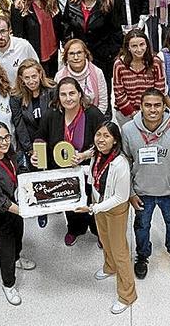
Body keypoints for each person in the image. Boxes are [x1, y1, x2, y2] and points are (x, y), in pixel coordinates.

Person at [121, 88, 170, 277]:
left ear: (164, 107)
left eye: (157, 105)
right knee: (142, 226)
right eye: (148, 105)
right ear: (141, 107)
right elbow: (124, 164)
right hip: (142, 192)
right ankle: (142, 255)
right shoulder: (128, 130)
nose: (153, 110)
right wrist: (130, 193)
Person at [76, 121, 137, 313]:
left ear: (115, 140)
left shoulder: (120, 164)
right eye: (98, 134)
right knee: (104, 239)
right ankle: (109, 267)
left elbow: (121, 196)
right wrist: (78, 170)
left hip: (114, 209)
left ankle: (127, 295)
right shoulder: (97, 154)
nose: (101, 139)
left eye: (106, 136)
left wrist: (94, 208)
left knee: (120, 251)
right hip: (98, 206)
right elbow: (94, 174)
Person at [33, 77, 104, 241]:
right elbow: (40, 137)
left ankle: (97, 231)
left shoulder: (92, 113)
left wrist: (85, 155)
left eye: (72, 93)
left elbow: (106, 140)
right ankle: (74, 229)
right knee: (70, 204)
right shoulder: (52, 114)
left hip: (88, 169)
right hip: (63, 171)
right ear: (58, 97)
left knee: (92, 202)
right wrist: (37, 154)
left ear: (80, 94)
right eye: (63, 94)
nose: (68, 98)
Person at [0, 122, 36, 306]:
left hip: (16, 207)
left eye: (6, 137)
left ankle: (18, 259)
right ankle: (8, 284)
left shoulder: (9, 152)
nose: (4, 142)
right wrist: (26, 211)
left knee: (18, 238)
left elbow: (18, 172)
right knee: (6, 251)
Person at [62, 0, 123, 94]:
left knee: (102, 89)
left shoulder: (107, 4)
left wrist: (111, 52)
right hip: (78, 54)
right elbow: (65, 26)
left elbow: (116, 30)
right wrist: (68, 46)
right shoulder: (72, 2)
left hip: (102, 55)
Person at [11, 0, 63, 77]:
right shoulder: (18, 6)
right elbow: (18, 36)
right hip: (33, 55)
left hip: (52, 52)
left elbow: (58, 25)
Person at [112, 29, 166, 124]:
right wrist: (132, 113)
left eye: (142, 44)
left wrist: (147, 111)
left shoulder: (156, 62)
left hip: (151, 111)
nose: (139, 49)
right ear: (128, 47)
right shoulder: (119, 64)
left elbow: (159, 90)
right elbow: (119, 93)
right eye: (134, 46)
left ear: (146, 45)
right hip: (126, 114)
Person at [10, 59, 55, 170]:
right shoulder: (16, 97)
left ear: (40, 74)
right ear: (21, 79)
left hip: (53, 142)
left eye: (34, 76)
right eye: (27, 78)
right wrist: (30, 149)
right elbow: (19, 125)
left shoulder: (52, 90)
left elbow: (57, 120)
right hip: (31, 145)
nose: (31, 81)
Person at [55, 40, 110, 115]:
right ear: (66, 56)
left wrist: (94, 121)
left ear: (85, 54)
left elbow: (103, 103)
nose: (76, 57)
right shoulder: (59, 76)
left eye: (79, 53)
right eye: (71, 54)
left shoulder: (97, 72)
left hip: (94, 119)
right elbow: (58, 104)